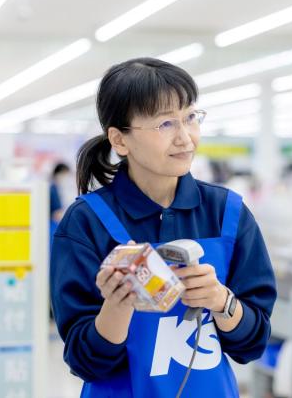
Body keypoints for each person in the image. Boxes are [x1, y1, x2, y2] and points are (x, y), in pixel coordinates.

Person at [50, 57, 277, 398]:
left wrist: (220, 300)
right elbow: (85, 363)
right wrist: (117, 305)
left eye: (190, 117)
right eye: (165, 124)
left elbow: (253, 343)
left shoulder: (228, 213)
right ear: (120, 140)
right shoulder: (87, 222)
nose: (185, 138)